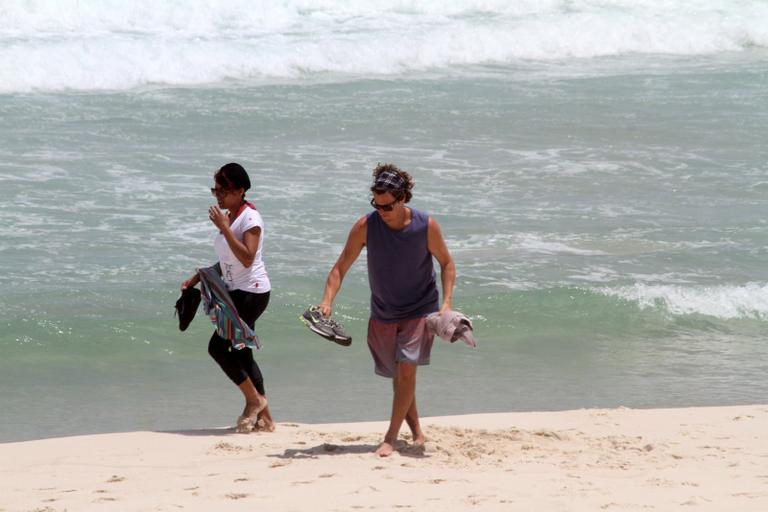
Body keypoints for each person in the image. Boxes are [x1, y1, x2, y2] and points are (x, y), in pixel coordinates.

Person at [317, 163, 456, 456]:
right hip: (384, 310)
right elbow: (341, 266)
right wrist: (327, 300)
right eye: (376, 205)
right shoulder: (366, 226)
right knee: (400, 375)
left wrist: (446, 303)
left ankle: (390, 438)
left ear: (402, 198)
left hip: (420, 308)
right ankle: (417, 432)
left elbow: (446, 263)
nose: (381, 211)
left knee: (406, 373)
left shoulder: (425, 226)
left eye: (387, 206)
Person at [181, 162, 274, 433]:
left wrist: (224, 228)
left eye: (224, 190)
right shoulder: (232, 216)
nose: (219, 195)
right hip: (238, 292)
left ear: (240, 190)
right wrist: (200, 276)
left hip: (252, 292)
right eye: (215, 190)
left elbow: (246, 258)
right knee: (243, 356)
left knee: (218, 348)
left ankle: (253, 401)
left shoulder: (249, 219)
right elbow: (228, 259)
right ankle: (266, 419)